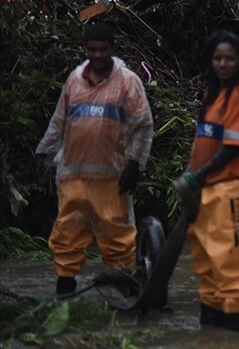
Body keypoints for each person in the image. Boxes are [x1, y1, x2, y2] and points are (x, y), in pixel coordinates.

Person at [34, 21, 154, 296]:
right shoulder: (74, 81)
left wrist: (135, 163)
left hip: (112, 177)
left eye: (103, 49)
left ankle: (121, 287)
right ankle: (65, 285)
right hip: (72, 174)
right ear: (86, 49)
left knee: (117, 236)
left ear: (112, 48)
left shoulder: (128, 82)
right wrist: (43, 151)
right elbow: (59, 121)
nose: (97, 55)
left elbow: (143, 125)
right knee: (68, 231)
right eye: (92, 49)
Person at [173, 30, 239, 332]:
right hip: (207, 187)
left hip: (233, 187)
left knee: (231, 265)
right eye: (218, 58)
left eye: (229, 59)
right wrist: (189, 174)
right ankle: (210, 335)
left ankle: (231, 336)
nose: (223, 64)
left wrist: (196, 177)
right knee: (205, 258)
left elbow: (232, 148)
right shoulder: (214, 95)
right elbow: (203, 143)